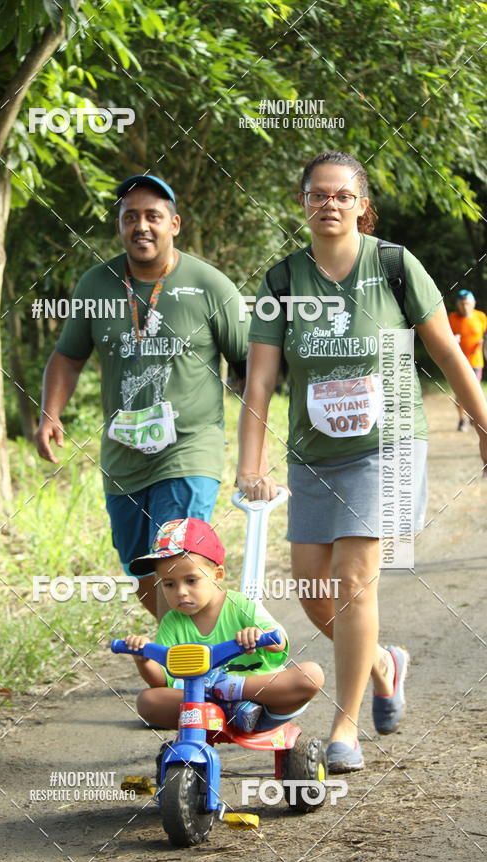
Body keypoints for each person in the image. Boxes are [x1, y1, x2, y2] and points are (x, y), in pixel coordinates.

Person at [237, 150, 487, 773]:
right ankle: (381, 662)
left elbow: (451, 355)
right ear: (302, 203)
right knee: (314, 593)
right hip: (314, 455)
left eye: (342, 195)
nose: (330, 204)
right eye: (318, 194)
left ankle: (343, 727)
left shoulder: (396, 267)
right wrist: (251, 464)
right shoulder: (283, 281)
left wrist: (484, 422)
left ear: (361, 206)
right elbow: (260, 384)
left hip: (388, 445)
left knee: (352, 580)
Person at [35, 175, 249, 618]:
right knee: (145, 570)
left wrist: (254, 444)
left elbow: (250, 365)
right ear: (119, 226)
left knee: (180, 559)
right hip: (123, 455)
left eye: (153, 216)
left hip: (190, 448)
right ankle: (192, 655)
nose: (141, 226)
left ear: (174, 224)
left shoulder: (210, 285)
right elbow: (68, 356)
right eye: (130, 217)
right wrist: (50, 414)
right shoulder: (96, 284)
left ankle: (203, 675)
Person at [123, 517, 324, 732]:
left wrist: (259, 636)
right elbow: (163, 680)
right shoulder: (172, 622)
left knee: (310, 675)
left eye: (191, 580)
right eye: (169, 584)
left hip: (261, 701)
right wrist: (144, 659)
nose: (180, 592)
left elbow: (279, 641)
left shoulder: (239, 605)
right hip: (202, 704)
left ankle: (232, 691)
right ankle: (226, 707)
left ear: (217, 575)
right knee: (148, 701)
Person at [447, 290, 487, 431]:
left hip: (476, 362)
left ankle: (474, 417)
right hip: (458, 362)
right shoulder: (451, 318)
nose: (465, 307)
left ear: (473, 303)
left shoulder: (481, 317)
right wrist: (452, 340)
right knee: (459, 394)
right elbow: (444, 337)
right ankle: (462, 419)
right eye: (462, 304)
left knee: (473, 391)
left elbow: (485, 334)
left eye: (467, 303)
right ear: (457, 304)